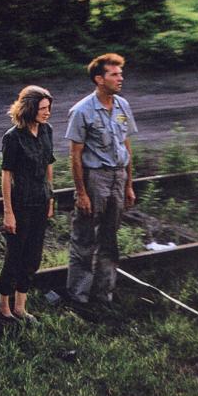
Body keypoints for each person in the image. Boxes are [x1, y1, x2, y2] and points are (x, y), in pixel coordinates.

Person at [65, 53, 137, 309]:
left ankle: (103, 294)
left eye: (120, 73)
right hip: (95, 178)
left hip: (118, 177)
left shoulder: (122, 106)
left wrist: (129, 184)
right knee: (85, 239)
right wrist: (81, 192)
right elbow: (75, 156)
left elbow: (126, 145)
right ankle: (78, 297)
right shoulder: (82, 111)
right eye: (114, 74)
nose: (120, 78)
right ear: (99, 79)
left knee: (110, 238)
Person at [0, 86, 55, 325]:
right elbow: (6, 175)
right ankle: (4, 310)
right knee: (15, 256)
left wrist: (50, 197)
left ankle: (21, 308)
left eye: (49, 108)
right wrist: (8, 212)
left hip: (40, 202)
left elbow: (49, 166)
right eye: (43, 109)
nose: (47, 113)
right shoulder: (13, 137)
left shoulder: (47, 131)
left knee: (33, 257)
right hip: (20, 204)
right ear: (30, 108)